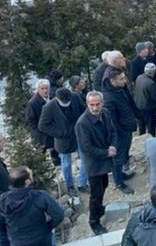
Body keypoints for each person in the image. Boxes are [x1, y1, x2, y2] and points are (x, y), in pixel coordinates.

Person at [75, 91, 117, 235]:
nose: (94, 107)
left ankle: (99, 209)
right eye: (91, 105)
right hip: (94, 164)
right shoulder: (82, 123)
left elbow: (112, 131)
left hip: (105, 158)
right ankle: (94, 221)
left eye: (97, 104)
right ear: (87, 104)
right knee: (96, 194)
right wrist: (107, 152)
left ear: (102, 103)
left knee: (104, 185)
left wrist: (113, 145)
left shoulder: (105, 113)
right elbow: (86, 148)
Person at [0, 166, 64, 246]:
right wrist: (47, 227)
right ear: (27, 181)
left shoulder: (2, 200)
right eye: (31, 174)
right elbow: (59, 216)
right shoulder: (40, 196)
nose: (32, 175)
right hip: (42, 241)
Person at [38, 88, 87, 195]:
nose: (67, 103)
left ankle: (82, 183)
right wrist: (60, 133)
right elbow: (42, 125)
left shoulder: (75, 97)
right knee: (66, 164)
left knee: (85, 159)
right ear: (57, 98)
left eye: (68, 101)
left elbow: (84, 110)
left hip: (79, 135)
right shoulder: (48, 107)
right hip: (63, 140)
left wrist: (84, 126)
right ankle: (70, 186)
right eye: (64, 102)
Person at [102, 68, 137, 194]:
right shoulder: (109, 97)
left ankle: (121, 174)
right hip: (120, 132)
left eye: (124, 77)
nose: (124, 81)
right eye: (121, 79)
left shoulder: (120, 89)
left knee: (124, 154)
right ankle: (119, 182)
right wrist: (119, 134)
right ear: (112, 81)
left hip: (127, 127)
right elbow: (112, 121)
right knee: (118, 158)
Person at [25, 79, 59, 165]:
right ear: (38, 89)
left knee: (55, 151)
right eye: (42, 88)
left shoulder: (52, 97)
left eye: (47, 88)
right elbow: (30, 120)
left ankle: (58, 166)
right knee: (41, 155)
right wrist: (39, 132)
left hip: (52, 129)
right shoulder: (32, 102)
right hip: (40, 134)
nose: (45, 90)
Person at [133, 63, 156, 136]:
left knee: (141, 126)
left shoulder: (139, 77)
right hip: (148, 108)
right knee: (151, 128)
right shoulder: (151, 83)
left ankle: (141, 140)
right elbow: (155, 97)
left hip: (138, 105)